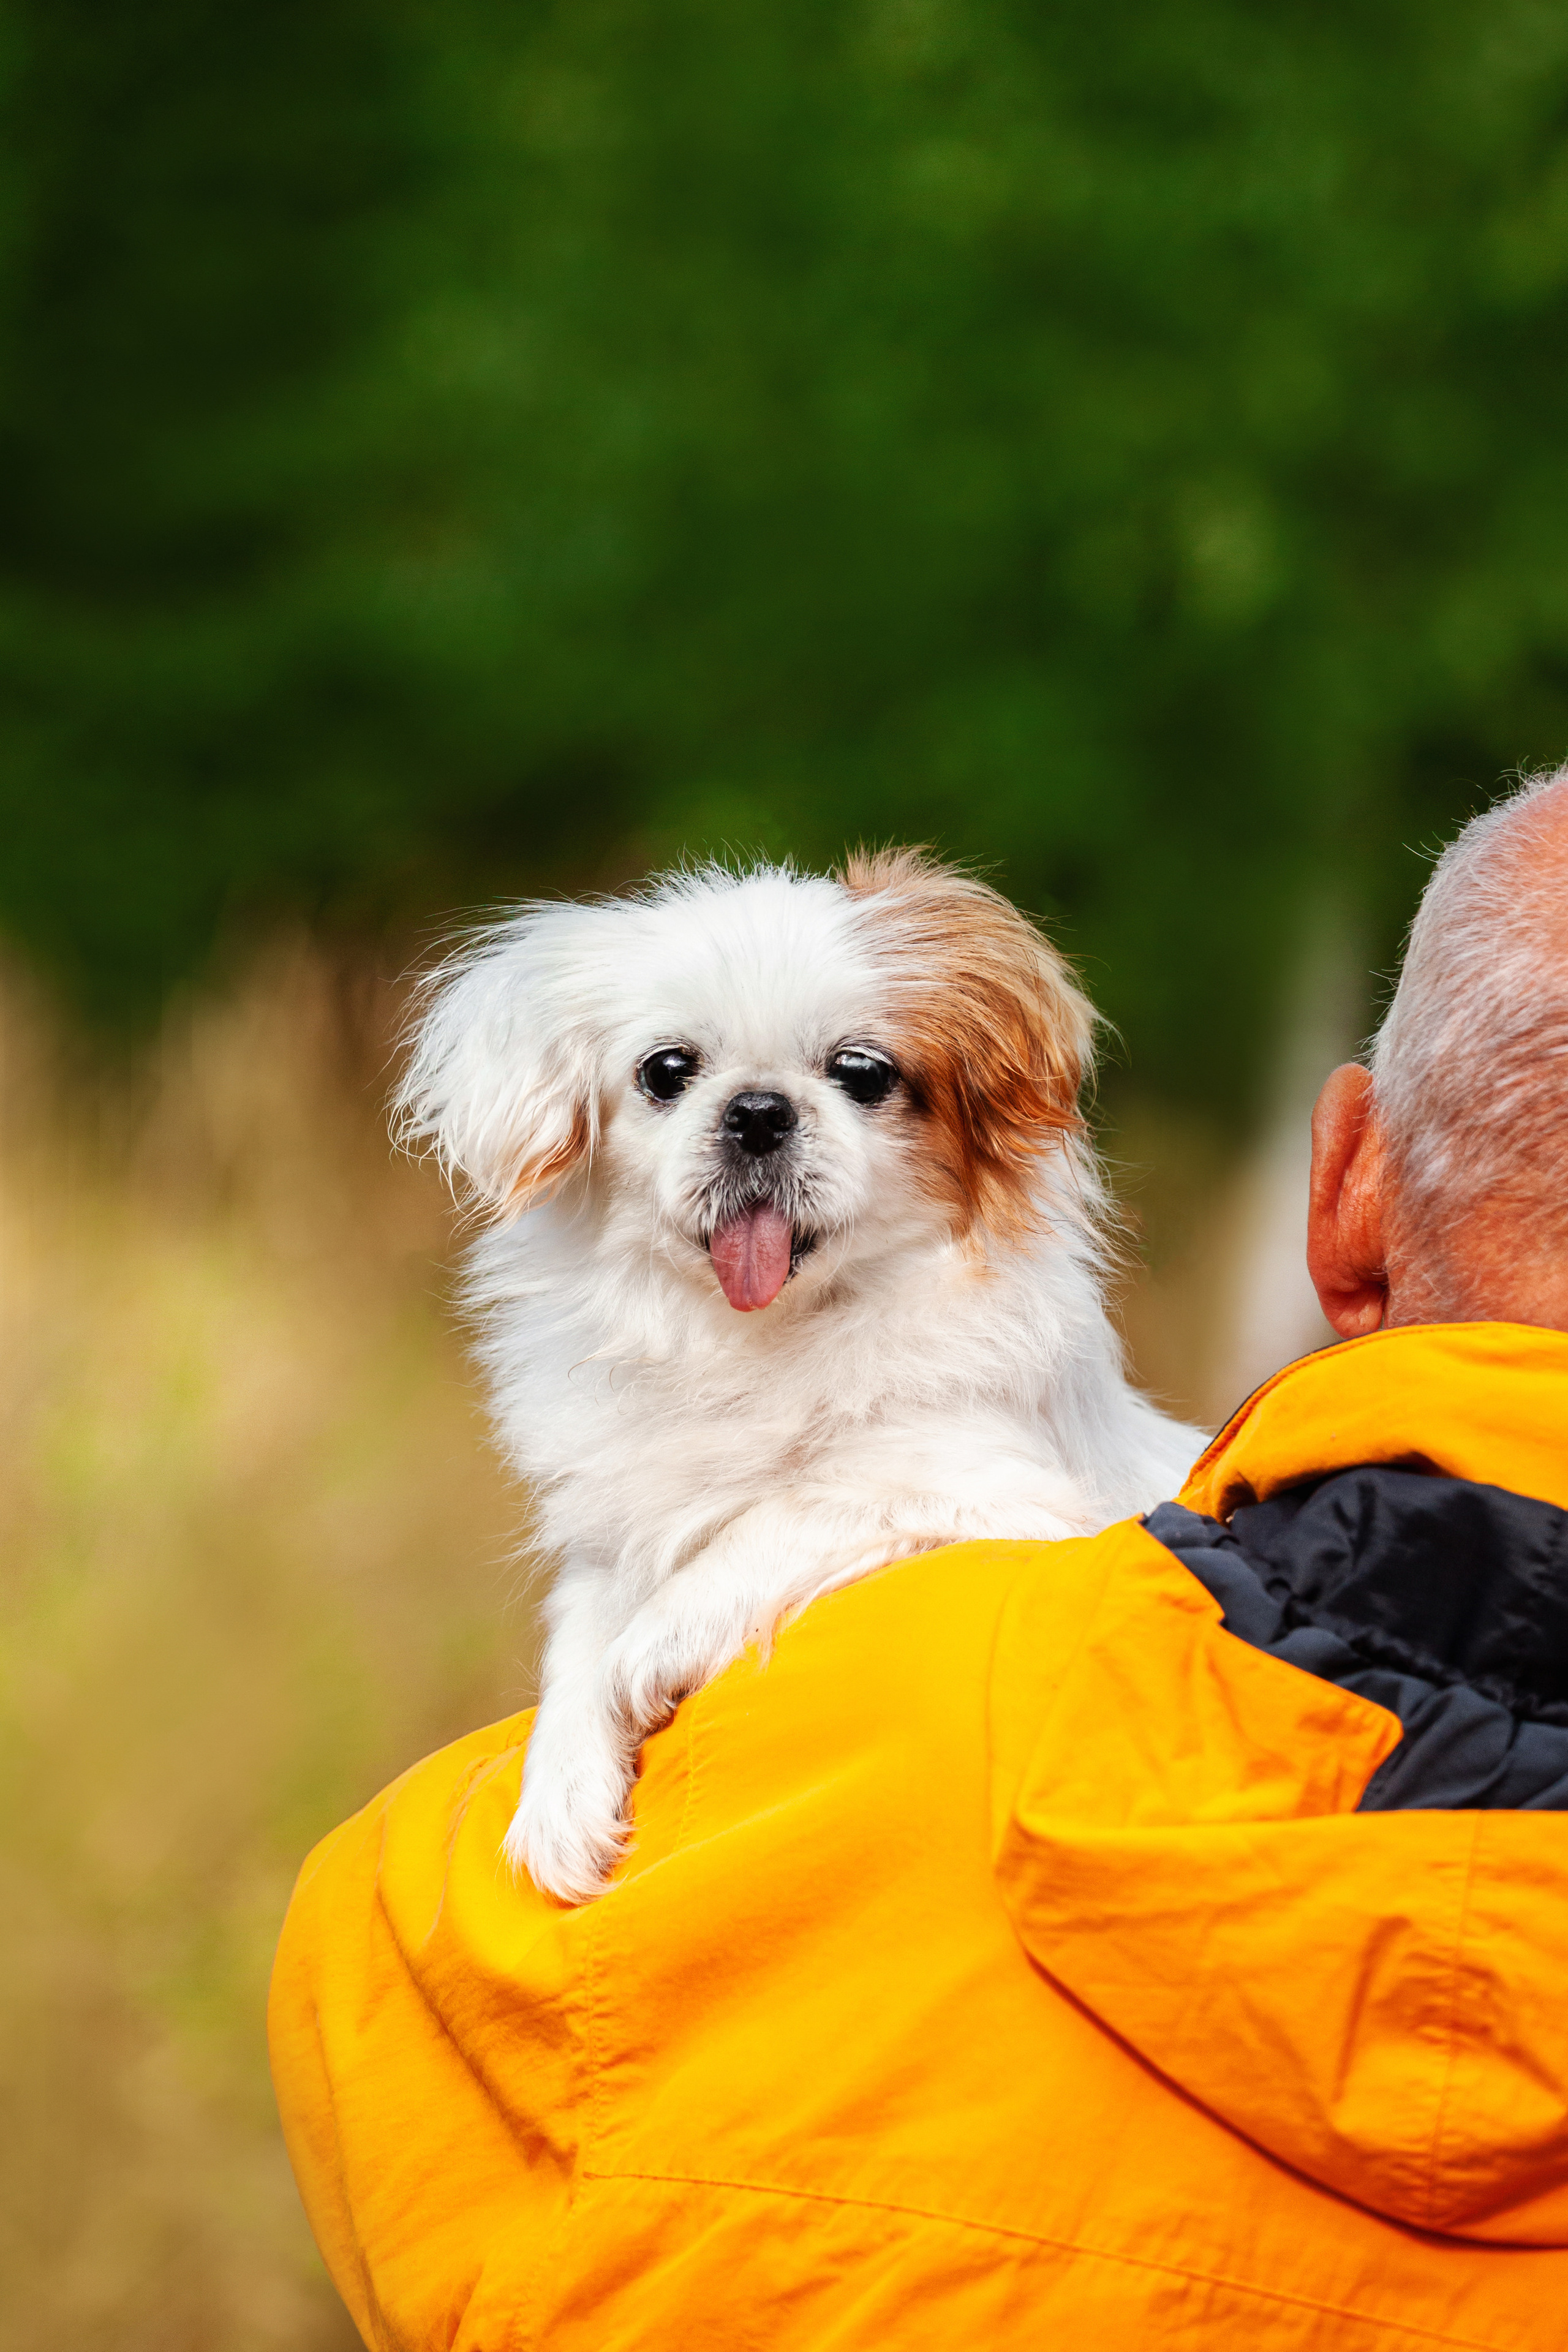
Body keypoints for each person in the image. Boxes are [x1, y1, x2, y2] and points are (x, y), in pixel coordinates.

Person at [270, 775, 1568, 2350]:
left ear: (1348, 1191)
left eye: (859, 1077)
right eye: (672, 1077)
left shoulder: (413, 1921)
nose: (756, 1119)